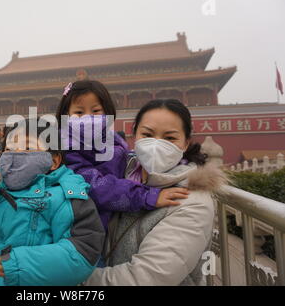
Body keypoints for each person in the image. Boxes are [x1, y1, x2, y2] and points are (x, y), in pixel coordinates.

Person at [84, 99, 228, 286]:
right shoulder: (114, 180)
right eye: (147, 134)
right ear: (134, 135)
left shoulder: (193, 201)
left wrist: (71, 281)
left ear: (185, 143)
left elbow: (145, 279)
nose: (156, 144)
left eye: (170, 138)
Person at [0, 118, 105, 286]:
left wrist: (17, 264)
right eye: (9, 149)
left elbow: (84, 251)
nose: (16, 153)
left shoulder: (68, 195)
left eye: (27, 147)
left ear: (54, 161)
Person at [56, 80, 189, 232]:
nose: (89, 117)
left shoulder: (113, 141)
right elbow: (96, 187)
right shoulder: (67, 150)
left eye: (96, 111)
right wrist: (147, 196)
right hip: (84, 230)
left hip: (113, 222)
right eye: (79, 112)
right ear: (65, 115)